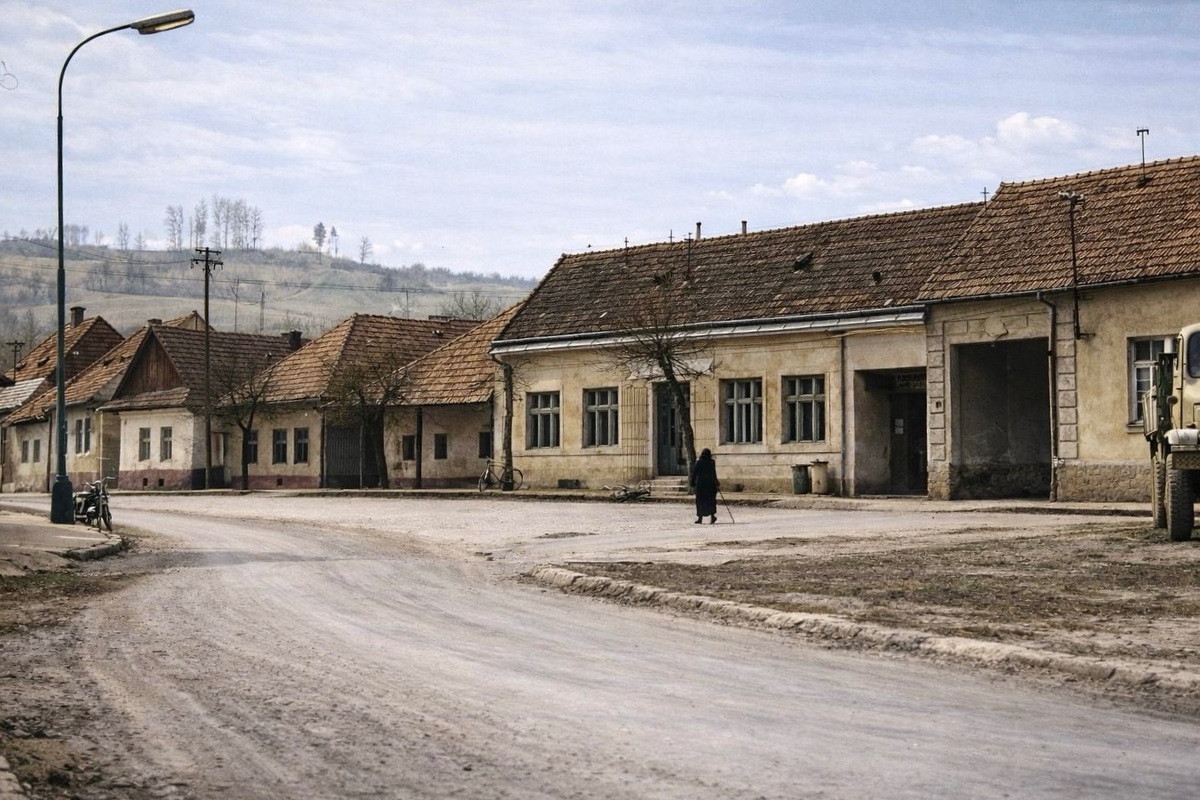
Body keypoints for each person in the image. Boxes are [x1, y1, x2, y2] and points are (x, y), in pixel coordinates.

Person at [690, 447, 720, 524]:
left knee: (700, 501)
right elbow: (714, 473)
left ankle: (700, 518)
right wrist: (716, 482)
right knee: (711, 501)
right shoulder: (712, 462)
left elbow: (694, 473)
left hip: (701, 485)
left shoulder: (699, 462)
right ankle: (712, 516)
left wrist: (692, 482)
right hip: (710, 485)